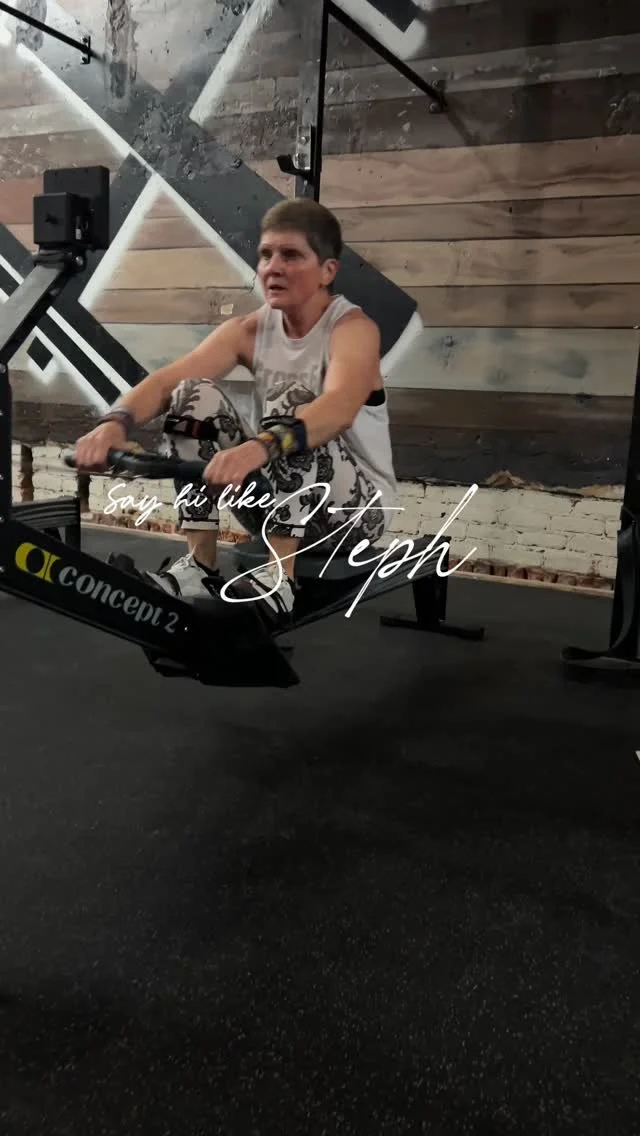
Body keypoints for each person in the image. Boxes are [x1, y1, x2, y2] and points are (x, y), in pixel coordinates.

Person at [73, 198, 398, 629]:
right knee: (191, 394)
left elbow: (337, 408)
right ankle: (199, 567)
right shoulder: (248, 330)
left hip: (355, 516)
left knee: (294, 400)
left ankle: (279, 580)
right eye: (265, 255)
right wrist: (113, 423)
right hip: (276, 504)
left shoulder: (353, 329)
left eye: (291, 255)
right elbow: (167, 381)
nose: (272, 268)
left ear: (327, 271)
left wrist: (260, 447)